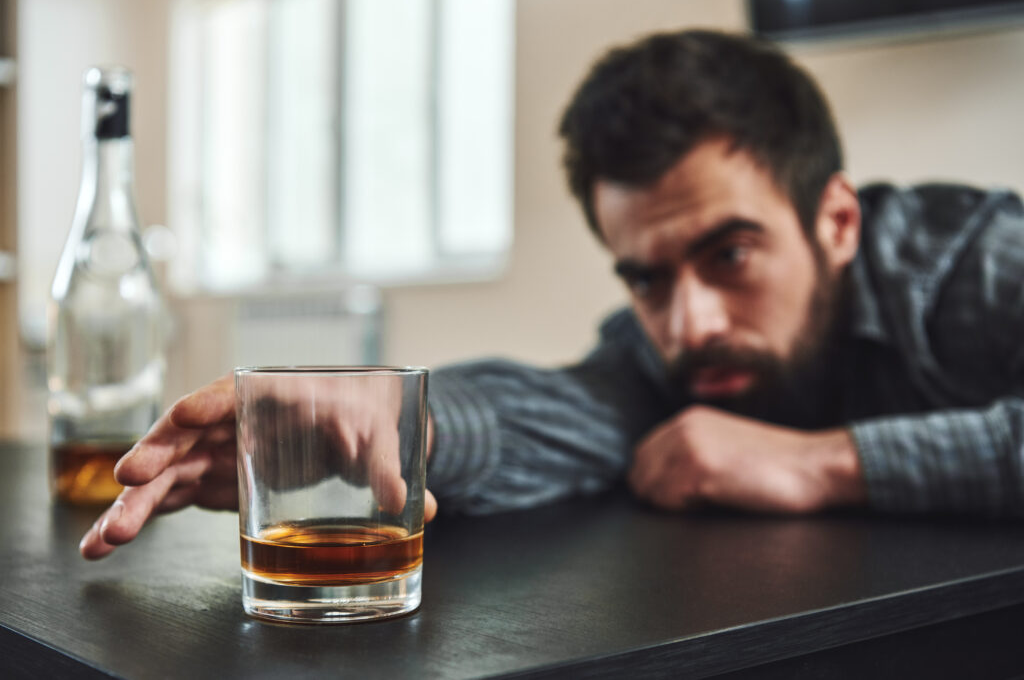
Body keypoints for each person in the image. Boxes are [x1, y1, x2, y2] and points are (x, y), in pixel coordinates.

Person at [80, 29, 1024, 559]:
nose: (687, 324)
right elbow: (557, 407)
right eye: (646, 278)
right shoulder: (659, 359)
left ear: (839, 222)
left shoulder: (982, 263)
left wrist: (823, 464)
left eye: (731, 254)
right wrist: (397, 417)